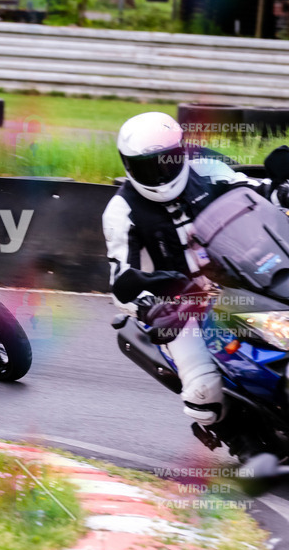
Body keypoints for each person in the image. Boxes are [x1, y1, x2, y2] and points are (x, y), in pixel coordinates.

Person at [102, 112, 289, 454]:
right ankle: (243, 442)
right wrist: (148, 304)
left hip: (245, 279)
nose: (160, 172)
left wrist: (282, 193)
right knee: (203, 390)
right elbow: (121, 279)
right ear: (129, 165)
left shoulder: (207, 168)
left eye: (167, 162)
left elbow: (254, 193)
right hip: (185, 305)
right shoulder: (121, 210)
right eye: (149, 166)